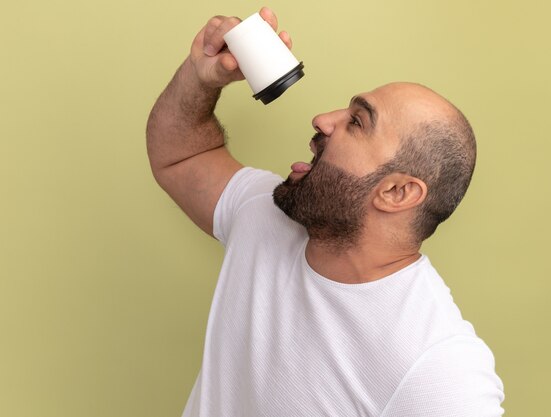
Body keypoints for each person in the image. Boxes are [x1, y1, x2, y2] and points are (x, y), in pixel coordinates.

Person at [146, 7, 505, 417]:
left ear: (397, 191)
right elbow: (181, 156)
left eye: (356, 122)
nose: (322, 120)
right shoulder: (264, 215)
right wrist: (200, 77)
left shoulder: (435, 365)